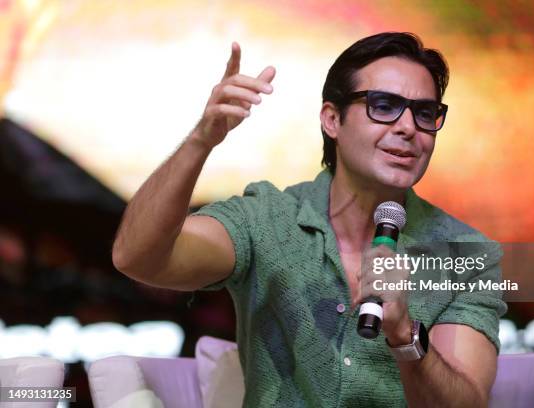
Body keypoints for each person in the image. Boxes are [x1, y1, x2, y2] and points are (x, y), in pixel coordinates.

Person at [112, 32, 507, 407]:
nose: (408, 128)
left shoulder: (467, 254)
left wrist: (405, 335)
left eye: (425, 113)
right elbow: (138, 258)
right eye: (383, 106)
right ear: (332, 120)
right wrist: (202, 140)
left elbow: (465, 403)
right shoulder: (266, 218)